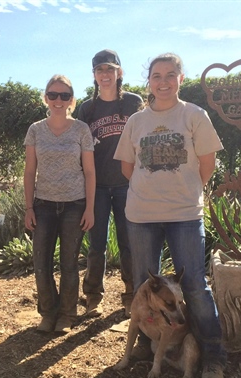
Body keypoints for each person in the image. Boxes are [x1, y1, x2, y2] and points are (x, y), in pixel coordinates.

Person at [113, 53, 227, 378]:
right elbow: (127, 167)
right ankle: (151, 348)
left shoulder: (194, 115)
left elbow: (207, 165)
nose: (163, 82)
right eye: (156, 75)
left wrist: (184, 191)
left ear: (180, 78)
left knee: (193, 286)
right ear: (148, 81)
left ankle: (213, 355)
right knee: (144, 288)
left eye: (170, 75)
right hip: (142, 215)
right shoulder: (137, 121)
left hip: (184, 215)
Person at [23, 75, 96, 334]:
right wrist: (29, 207)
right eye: (53, 94)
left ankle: (66, 315)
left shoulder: (81, 130)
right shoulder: (35, 130)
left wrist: (90, 208)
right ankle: (48, 312)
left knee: (68, 264)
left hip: (75, 204)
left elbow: (89, 172)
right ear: (46, 98)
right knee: (41, 263)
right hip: (43, 205)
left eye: (64, 95)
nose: (58, 100)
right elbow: (30, 171)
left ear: (71, 100)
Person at [78, 49, 143, 318]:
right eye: (100, 70)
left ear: (119, 72)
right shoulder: (86, 108)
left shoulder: (133, 102)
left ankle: (130, 295)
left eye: (110, 69)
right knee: (97, 245)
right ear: (94, 75)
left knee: (129, 243)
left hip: (128, 185)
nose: (105, 75)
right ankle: (93, 296)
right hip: (98, 186)